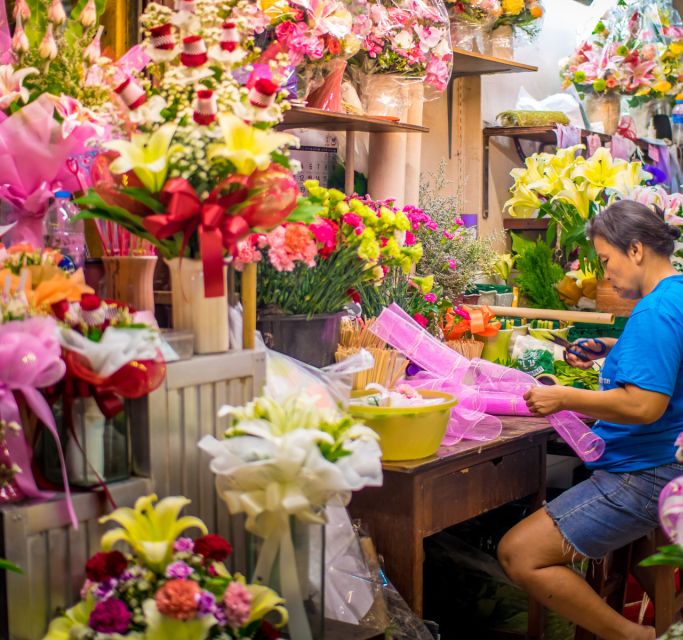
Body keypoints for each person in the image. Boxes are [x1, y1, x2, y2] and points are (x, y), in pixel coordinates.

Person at [497, 200, 683, 640]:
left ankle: (634, 636)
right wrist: (614, 349)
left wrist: (562, 396)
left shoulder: (654, 311)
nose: (605, 276)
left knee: (519, 553)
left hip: (644, 471)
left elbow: (644, 406)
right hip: (664, 460)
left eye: (606, 261)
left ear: (635, 249)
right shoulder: (674, 296)